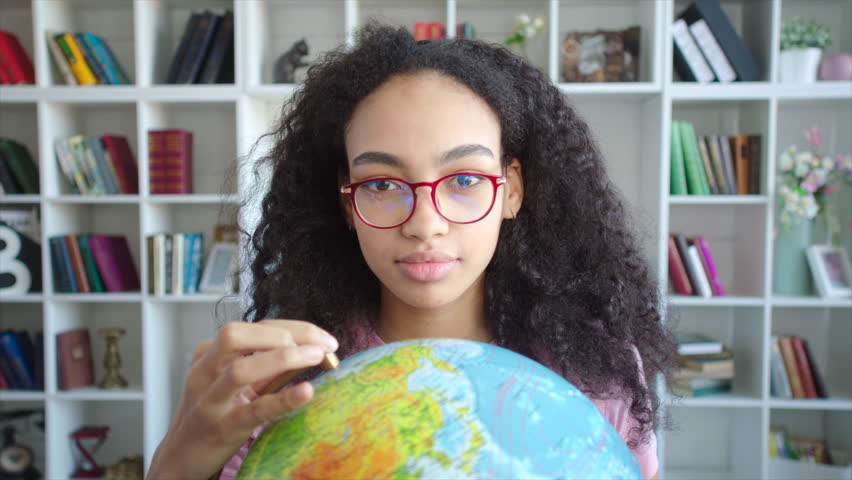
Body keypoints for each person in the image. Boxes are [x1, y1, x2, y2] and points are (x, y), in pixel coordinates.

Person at [147, 21, 677, 480]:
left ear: (511, 190)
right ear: (346, 201)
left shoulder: (597, 374)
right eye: (381, 184)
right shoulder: (277, 383)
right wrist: (178, 462)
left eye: (465, 179)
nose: (426, 225)